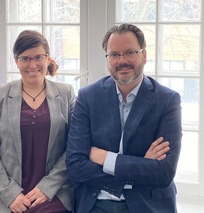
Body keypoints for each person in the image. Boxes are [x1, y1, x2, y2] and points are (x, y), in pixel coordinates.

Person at [65, 23, 182, 213]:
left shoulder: (167, 100)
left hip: (148, 204)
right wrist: (140, 167)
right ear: (107, 58)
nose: (122, 60)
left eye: (129, 52)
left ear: (144, 55)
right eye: (114, 54)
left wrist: (104, 158)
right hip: (96, 202)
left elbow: (163, 172)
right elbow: (75, 167)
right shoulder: (88, 97)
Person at [0, 30, 75, 213]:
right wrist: (10, 193)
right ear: (16, 61)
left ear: (47, 58)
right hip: (5, 198)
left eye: (38, 57)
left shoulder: (66, 94)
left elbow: (74, 148)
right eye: (25, 59)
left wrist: (47, 187)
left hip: (53, 195)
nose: (33, 65)